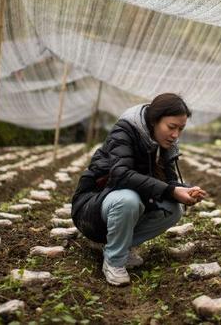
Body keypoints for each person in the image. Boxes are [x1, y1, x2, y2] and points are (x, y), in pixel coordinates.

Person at [71, 93, 207, 286]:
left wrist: (185, 191)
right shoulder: (124, 132)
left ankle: (120, 247)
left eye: (181, 129)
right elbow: (121, 175)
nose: (176, 134)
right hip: (91, 210)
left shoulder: (165, 144)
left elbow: (169, 182)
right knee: (128, 200)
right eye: (171, 127)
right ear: (153, 121)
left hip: (117, 206)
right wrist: (171, 190)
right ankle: (114, 261)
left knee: (173, 208)